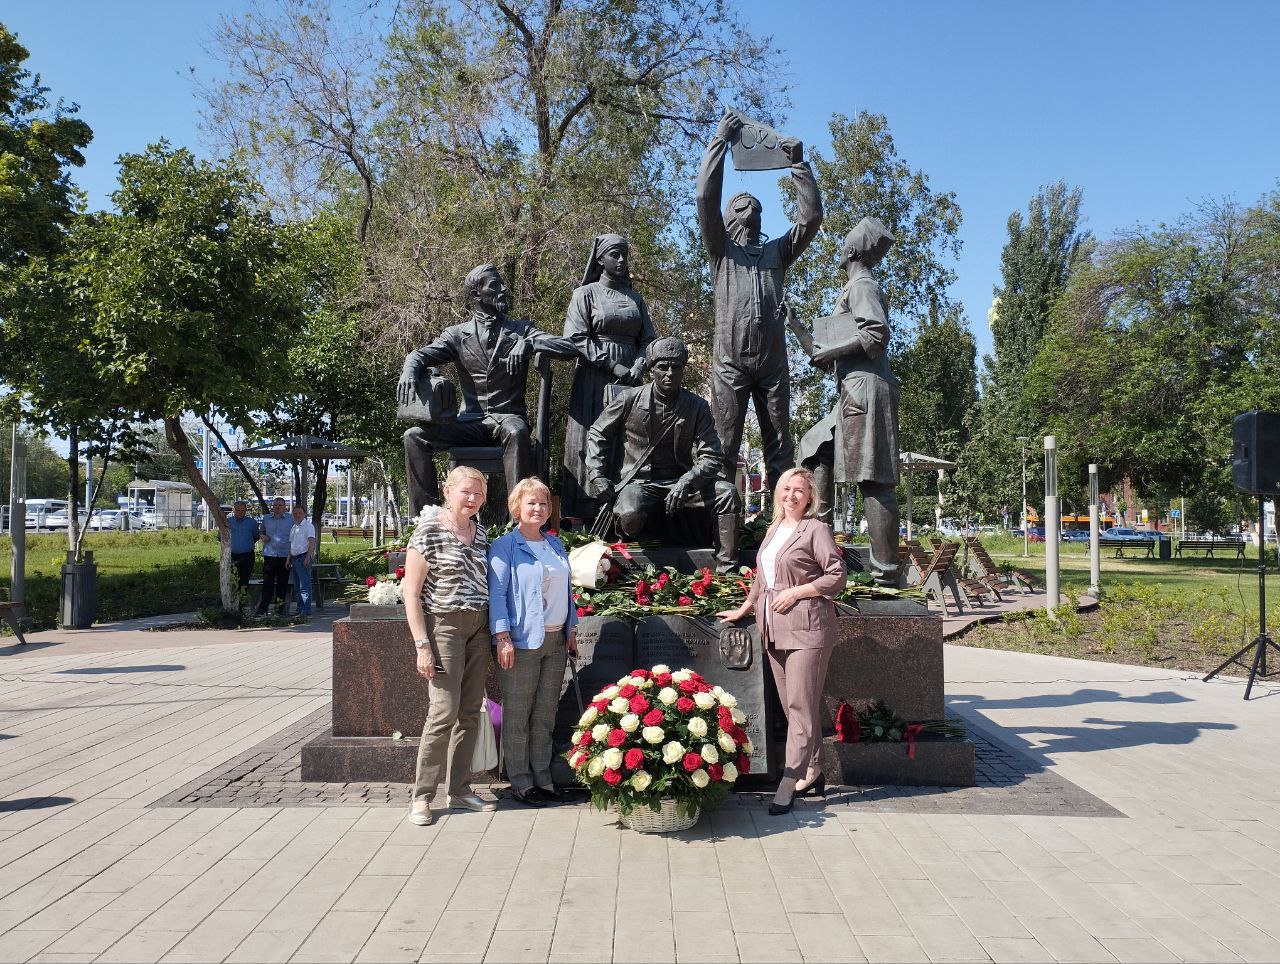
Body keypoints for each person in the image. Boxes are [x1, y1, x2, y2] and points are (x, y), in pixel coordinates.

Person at [696, 108, 823, 495]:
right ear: (729, 217)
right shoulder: (721, 252)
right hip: (730, 363)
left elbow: (811, 219)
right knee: (723, 449)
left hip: (772, 364)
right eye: (741, 204)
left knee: (780, 453)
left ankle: (784, 526)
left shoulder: (776, 253)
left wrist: (798, 165)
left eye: (756, 205)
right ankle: (723, 527)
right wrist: (720, 141)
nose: (751, 206)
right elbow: (704, 196)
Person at [715, 467, 845, 815]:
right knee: (794, 707)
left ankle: (788, 781)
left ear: (810, 496)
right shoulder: (773, 529)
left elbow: (837, 575)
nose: (792, 496)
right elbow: (763, 578)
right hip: (774, 629)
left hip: (808, 630)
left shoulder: (816, 529)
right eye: (787, 489)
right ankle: (813, 769)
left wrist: (799, 591)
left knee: (800, 706)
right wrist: (744, 609)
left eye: (799, 490)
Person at [398, 264, 576, 516]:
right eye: (494, 285)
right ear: (476, 295)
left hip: (507, 418)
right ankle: (426, 517)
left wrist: (529, 343)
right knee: (414, 437)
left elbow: (569, 347)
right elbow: (419, 355)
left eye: (502, 283)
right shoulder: (456, 335)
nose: (503, 289)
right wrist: (409, 369)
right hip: (470, 422)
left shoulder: (522, 330)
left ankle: (519, 521)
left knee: (517, 432)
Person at [798, 217, 901, 586]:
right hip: (853, 391)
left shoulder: (863, 286)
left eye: (845, 243)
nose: (840, 249)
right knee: (815, 447)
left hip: (865, 391)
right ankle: (820, 550)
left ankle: (886, 575)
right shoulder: (852, 289)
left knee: (873, 479)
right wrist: (795, 325)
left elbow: (876, 335)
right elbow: (823, 354)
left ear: (854, 250)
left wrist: (832, 353)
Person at [584, 337, 741, 572]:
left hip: (681, 482)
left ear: (683, 370)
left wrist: (688, 480)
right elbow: (598, 433)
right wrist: (597, 474)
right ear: (651, 369)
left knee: (727, 493)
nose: (669, 373)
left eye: (676, 367)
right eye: (663, 367)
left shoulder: (696, 406)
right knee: (630, 515)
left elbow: (711, 455)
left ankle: (727, 570)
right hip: (639, 484)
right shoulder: (629, 399)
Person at [402, 466, 496, 826]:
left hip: (479, 628)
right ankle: (422, 796)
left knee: (470, 712)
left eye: (478, 493)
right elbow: (411, 594)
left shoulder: (480, 532)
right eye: (465, 492)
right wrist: (422, 646)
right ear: (447, 491)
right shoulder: (428, 531)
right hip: (444, 628)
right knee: (443, 711)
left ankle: (459, 789)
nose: (472, 499)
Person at [488, 477, 579, 807]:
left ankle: (543, 777)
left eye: (543, 503)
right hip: (521, 643)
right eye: (531, 503)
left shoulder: (554, 544)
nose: (538, 508)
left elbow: (566, 591)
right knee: (518, 716)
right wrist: (502, 637)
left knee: (544, 716)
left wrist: (571, 629)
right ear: (517, 508)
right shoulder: (505, 546)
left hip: (556, 640)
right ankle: (521, 782)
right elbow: (497, 594)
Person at [560, 234, 656, 523]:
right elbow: (576, 337)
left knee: (628, 439)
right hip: (595, 378)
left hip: (631, 382)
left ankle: (627, 509)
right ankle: (587, 510)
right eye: (615, 254)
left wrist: (639, 365)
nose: (622, 260)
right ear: (600, 259)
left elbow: (648, 340)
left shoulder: (635, 299)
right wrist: (613, 366)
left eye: (625, 254)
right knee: (593, 436)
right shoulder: (585, 294)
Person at [256, 498, 292, 616]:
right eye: (275, 505)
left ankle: (279, 609)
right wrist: (263, 536)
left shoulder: (291, 519)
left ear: (284, 507)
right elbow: (261, 531)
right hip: (269, 555)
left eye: (280, 505)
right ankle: (263, 609)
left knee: (282, 584)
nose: (277, 507)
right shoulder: (266, 519)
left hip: (284, 556)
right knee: (267, 583)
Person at [286, 504, 317, 619]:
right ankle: (299, 609)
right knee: (297, 587)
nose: (297, 515)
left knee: (305, 585)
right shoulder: (294, 527)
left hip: (303, 557)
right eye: (295, 513)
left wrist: (308, 557)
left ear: (304, 514)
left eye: (300, 513)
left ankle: (306, 609)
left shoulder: (308, 526)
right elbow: (292, 545)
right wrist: (288, 559)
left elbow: (312, 542)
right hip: (294, 559)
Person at [227, 501, 260, 596]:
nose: (240, 512)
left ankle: (242, 600)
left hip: (247, 556)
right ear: (233, 510)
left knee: (245, 580)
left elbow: (256, 536)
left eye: (243, 510)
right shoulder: (228, 522)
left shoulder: (252, 522)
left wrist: (245, 545)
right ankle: (232, 600)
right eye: (238, 510)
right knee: (232, 580)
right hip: (232, 556)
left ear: (246, 511)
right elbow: (222, 538)